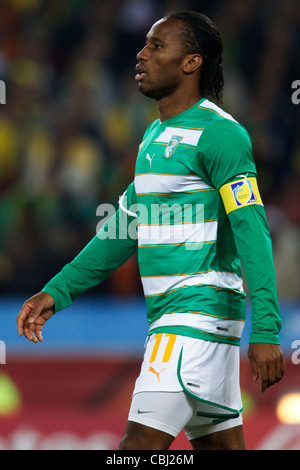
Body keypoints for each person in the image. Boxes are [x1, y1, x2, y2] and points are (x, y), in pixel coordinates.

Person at [16, 11, 285, 450]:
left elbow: (252, 229)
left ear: (191, 63)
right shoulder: (153, 137)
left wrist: (268, 330)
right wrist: (56, 291)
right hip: (186, 322)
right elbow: (121, 230)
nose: (141, 55)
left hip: (193, 318)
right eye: (144, 44)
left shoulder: (221, 135)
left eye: (158, 46)